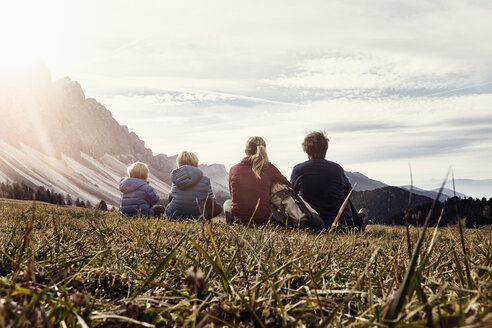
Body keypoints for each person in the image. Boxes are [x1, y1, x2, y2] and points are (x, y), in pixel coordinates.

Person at [290, 131, 368, 231]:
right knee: (346, 197)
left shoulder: (298, 169)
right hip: (343, 226)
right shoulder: (336, 168)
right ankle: (359, 220)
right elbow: (349, 191)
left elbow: (292, 195)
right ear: (325, 149)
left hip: (312, 225)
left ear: (306, 150)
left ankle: (359, 219)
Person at [224, 136, 294, 226]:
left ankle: (232, 224)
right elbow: (290, 187)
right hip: (263, 222)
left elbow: (232, 194)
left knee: (227, 203)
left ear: (246, 151)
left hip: (238, 220)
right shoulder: (270, 168)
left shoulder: (234, 169)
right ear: (264, 150)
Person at [165, 151, 222, 220]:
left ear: (179, 164)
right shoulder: (205, 180)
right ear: (196, 164)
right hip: (197, 216)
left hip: (174, 215)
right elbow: (211, 201)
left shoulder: (176, 179)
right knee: (218, 208)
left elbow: (170, 197)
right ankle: (202, 217)